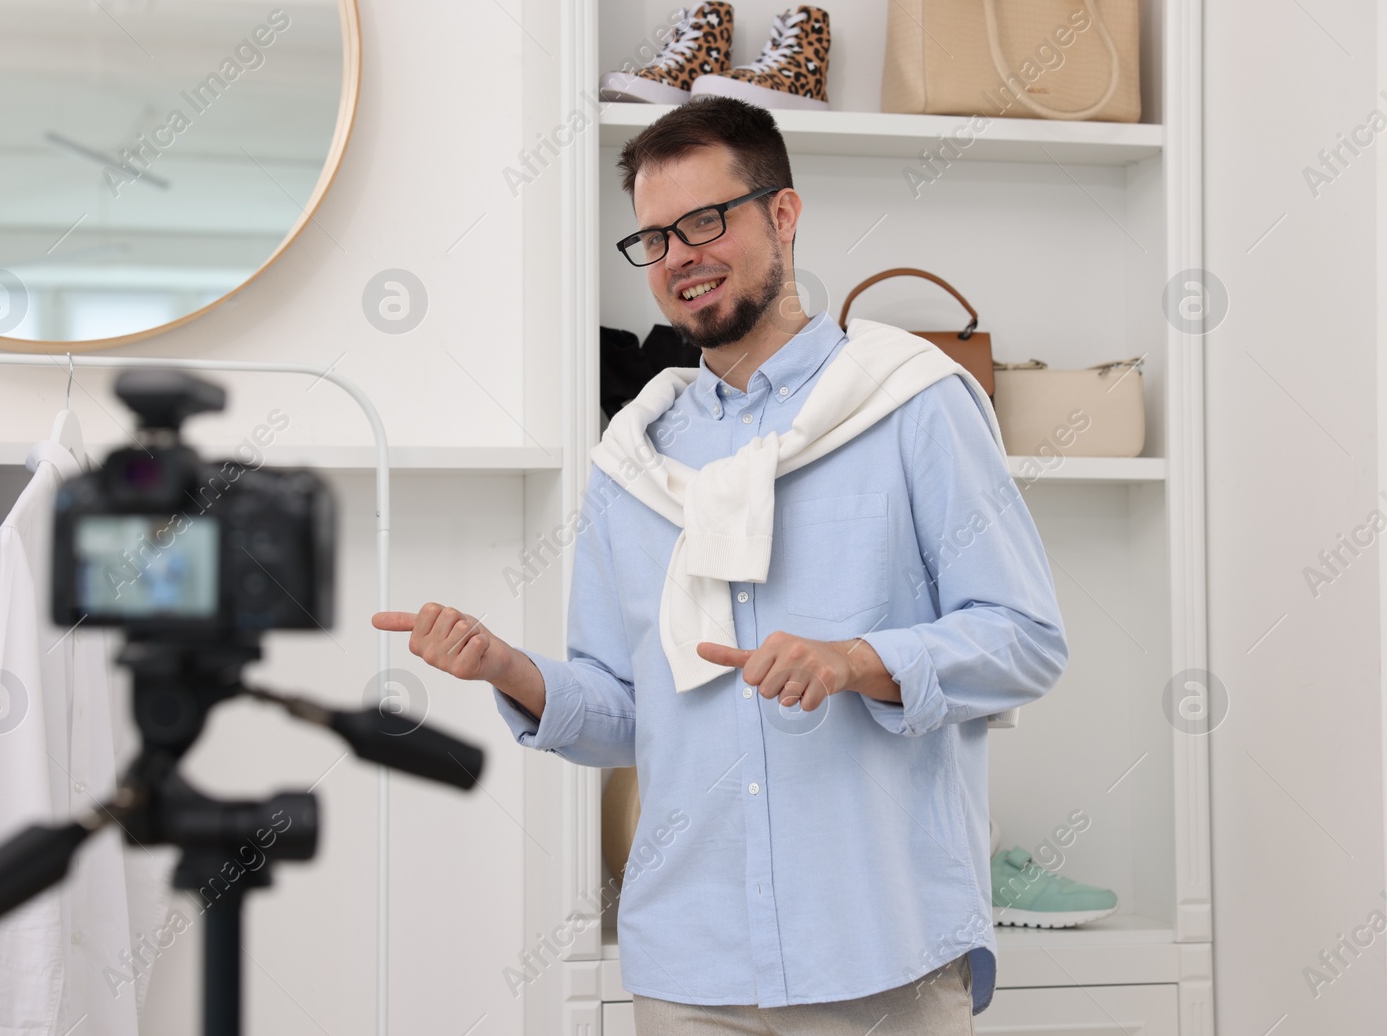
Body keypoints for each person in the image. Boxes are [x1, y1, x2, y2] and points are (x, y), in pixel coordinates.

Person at [373, 96, 1068, 1035]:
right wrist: (509, 669)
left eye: (707, 220)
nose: (679, 256)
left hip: (879, 951)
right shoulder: (634, 457)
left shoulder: (912, 402)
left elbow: (1025, 641)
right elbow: (631, 710)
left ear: (783, 214)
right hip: (690, 965)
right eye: (654, 238)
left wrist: (856, 661)